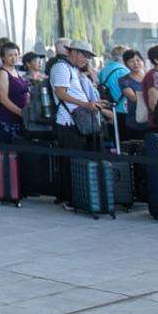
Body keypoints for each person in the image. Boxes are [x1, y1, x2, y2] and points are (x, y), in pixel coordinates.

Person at [50, 40, 109, 209]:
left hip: (79, 120)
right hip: (68, 121)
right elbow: (61, 94)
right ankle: (69, 197)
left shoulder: (73, 69)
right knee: (70, 162)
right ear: (73, 52)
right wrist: (85, 104)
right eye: (85, 55)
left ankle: (77, 195)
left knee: (78, 160)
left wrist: (93, 103)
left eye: (89, 57)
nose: (87, 59)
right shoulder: (61, 67)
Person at [0, 42, 28, 144]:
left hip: (19, 119)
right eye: (10, 55)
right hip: (7, 119)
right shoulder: (3, 73)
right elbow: (3, 99)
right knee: (7, 151)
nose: (14, 58)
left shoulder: (15, 71)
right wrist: (21, 112)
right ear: (3, 57)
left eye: (16, 55)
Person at [118, 49, 149, 140]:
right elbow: (133, 98)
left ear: (143, 61)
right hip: (135, 121)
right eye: (131, 61)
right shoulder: (124, 80)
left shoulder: (150, 76)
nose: (135, 63)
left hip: (153, 120)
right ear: (126, 64)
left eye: (138, 60)